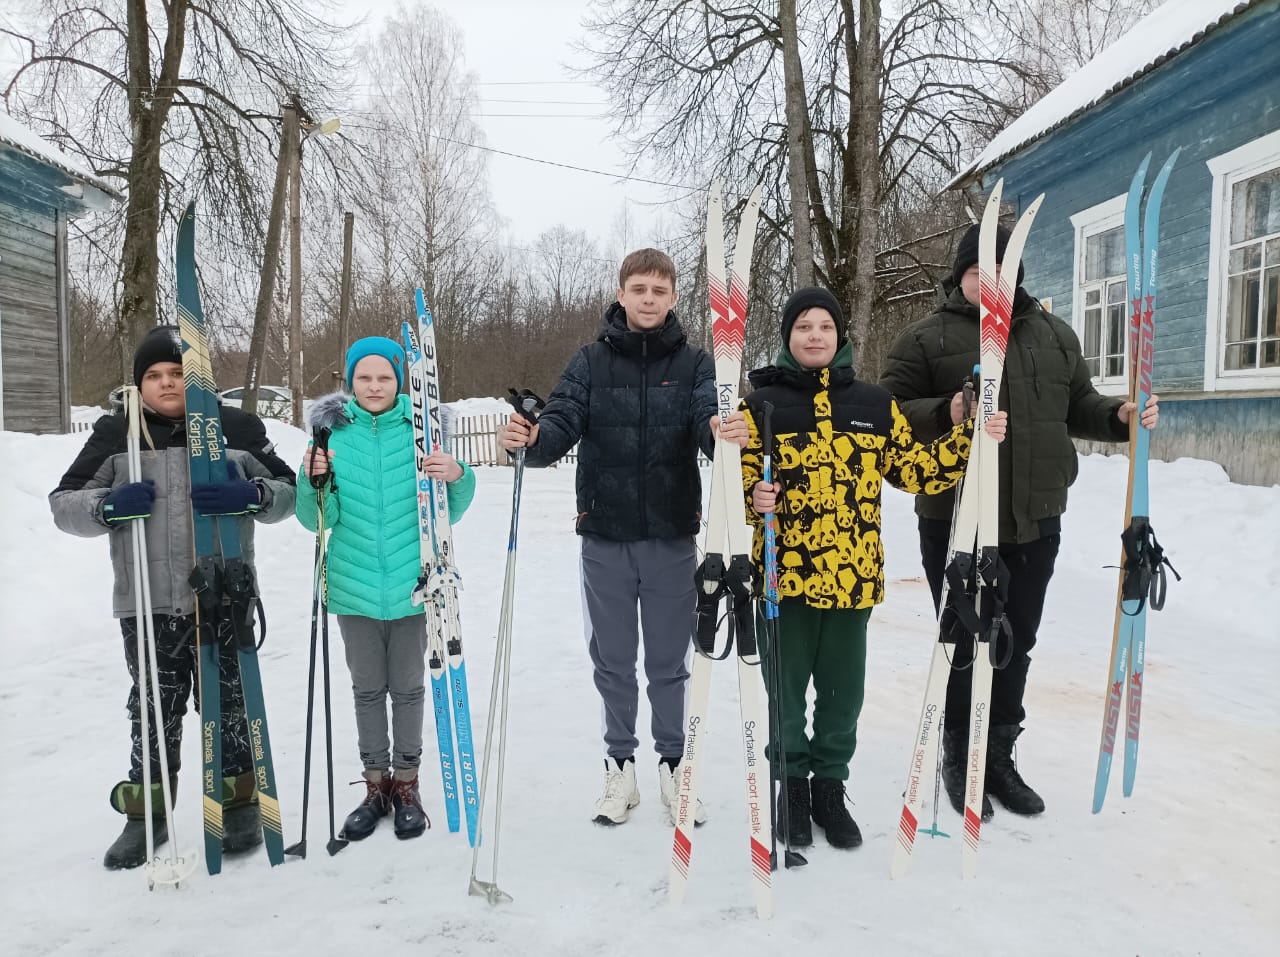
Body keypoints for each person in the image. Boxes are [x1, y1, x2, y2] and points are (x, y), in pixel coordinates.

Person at [879, 223, 1160, 818]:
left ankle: (999, 755)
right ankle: (960, 753)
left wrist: (1119, 415)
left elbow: (1077, 404)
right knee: (962, 640)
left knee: (1017, 641)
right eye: (981, 270)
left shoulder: (1055, 336)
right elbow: (891, 415)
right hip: (954, 517)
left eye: (1004, 270)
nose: (993, 281)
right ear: (961, 275)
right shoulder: (924, 340)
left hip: (1035, 518)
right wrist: (950, 409)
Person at [740, 287, 1006, 849]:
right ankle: (790, 787)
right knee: (784, 694)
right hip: (782, 580)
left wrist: (971, 437)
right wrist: (753, 496)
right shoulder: (759, 405)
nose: (815, 336)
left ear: (841, 337)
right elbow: (739, 484)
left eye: (826, 327)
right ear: (788, 337)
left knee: (843, 696)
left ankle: (830, 790)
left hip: (852, 578)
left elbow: (917, 472)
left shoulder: (872, 404)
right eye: (804, 327)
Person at [499, 247, 748, 827]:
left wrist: (719, 430)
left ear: (674, 298)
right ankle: (619, 767)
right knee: (612, 659)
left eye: (659, 291)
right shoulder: (589, 362)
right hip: (605, 537)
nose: (648, 300)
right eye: (638, 289)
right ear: (621, 294)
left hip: (671, 537)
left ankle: (673, 766)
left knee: (668, 660)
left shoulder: (696, 364)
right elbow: (559, 423)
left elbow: (707, 421)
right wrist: (531, 438)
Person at [49, 325, 297, 870]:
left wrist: (252, 494)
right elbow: (64, 501)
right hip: (148, 601)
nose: (166, 384)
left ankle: (238, 804)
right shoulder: (119, 434)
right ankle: (147, 816)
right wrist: (106, 507)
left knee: (229, 704)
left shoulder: (235, 428)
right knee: (153, 709)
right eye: (153, 376)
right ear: (139, 385)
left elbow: (290, 495)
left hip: (224, 594)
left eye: (178, 374)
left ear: (199, 378)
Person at [296, 336, 476, 842]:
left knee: (409, 687)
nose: (374, 386)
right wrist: (314, 482)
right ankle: (375, 785)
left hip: (413, 585)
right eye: (364, 378)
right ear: (349, 382)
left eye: (385, 378)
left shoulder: (423, 432)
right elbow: (315, 521)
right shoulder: (330, 436)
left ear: (400, 382)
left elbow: (449, 510)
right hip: (352, 586)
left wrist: (456, 474)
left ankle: (407, 784)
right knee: (367, 690)